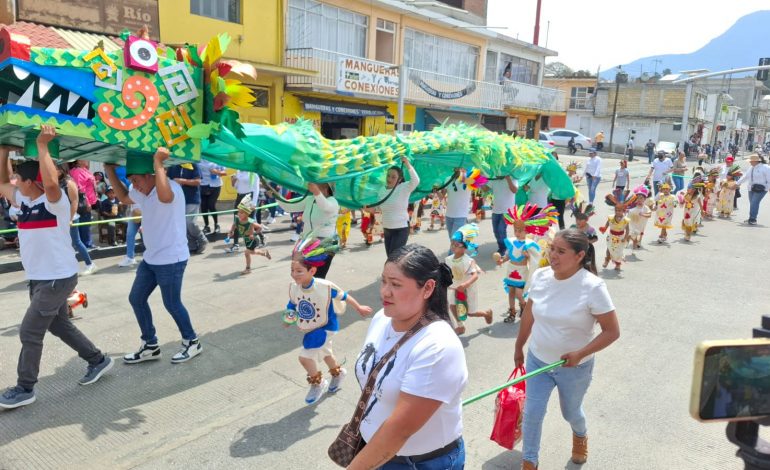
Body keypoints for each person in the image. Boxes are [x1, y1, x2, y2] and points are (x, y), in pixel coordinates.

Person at [0, 126, 113, 409]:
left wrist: (42, 146)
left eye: (19, 178)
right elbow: (2, 181)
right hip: (40, 278)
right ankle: (98, 360)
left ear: (29, 181)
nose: (14, 182)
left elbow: (50, 183)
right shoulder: (22, 201)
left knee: (29, 332)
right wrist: (2, 150)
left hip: (57, 278)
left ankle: (25, 388)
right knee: (60, 326)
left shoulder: (55, 203)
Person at [348, 244, 467, 469]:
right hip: (375, 451)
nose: (385, 291)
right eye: (383, 281)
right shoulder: (381, 319)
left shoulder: (438, 346)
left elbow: (399, 430)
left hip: (419, 463)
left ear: (428, 288)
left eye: (395, 284)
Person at [514, 229, 620, 470]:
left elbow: (612, 332)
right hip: (538, 360)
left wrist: (580, 354)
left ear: (580, 255)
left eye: (561, 251)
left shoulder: (593, 287)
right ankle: (529, 461)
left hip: (574, 368)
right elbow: (529, 315)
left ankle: (580, 435)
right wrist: (519, 345)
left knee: (570, 412)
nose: (553, 255)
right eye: (552, 248)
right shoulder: (540, 276)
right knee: (532, 412)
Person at [105, 149, 203, 364]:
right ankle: (150, 345)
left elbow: (164, 196)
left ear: (150, 174)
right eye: (131, 179)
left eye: (136, 179)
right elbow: (123, 196)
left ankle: (192, 341)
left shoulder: (171, 189)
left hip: (172, 258)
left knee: (172, 303)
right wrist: (109, 170)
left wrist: (158, 162)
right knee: (136, 298)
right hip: (151, 258)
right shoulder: (142, 191)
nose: (134, 184)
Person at [285, 235, 371, 404]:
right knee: (326, 354)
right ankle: (338, 374)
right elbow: (292, 305)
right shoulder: (295, 287)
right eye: (292, 270)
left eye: (299, 271)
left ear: (312, 271)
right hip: (312, 327)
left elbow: (344, 296)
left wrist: (359, 307)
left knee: (305, 357)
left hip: (325, 327)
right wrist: (289, 318)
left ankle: (318, 382)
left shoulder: (324, 287)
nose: (294, 275)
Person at [496, 204, 550, 323]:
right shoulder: (511, 242)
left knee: (519, 293)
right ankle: (512, 312)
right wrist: (502, 260)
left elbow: (535, 258)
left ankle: (524, 307)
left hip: (521, 272)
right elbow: (508, 255)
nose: (517, 233)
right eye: (516, 230)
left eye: (520, 231)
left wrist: (528, 256)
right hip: (511, 270)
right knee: (511, 292)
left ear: (526, 231)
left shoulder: (528, 244)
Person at [276, 182, 339, 278]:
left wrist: (316, 192)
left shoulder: (333, 201)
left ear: (326, 186)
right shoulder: (310, 199)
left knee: (317, 278)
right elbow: (289, 207)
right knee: (302, 277)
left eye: (317, 183)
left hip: (324, 245)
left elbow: (325, 206)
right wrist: (275, 195)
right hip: (306, 242)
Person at [446, 224, 493, 335]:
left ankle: (486, 313)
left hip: (467, 289)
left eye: (456, 244)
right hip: (455, 288)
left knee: (470, 313)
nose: (453, 246)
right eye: (452, 243)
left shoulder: (468, 261)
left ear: (465, 247)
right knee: (452, 306)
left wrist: (465, 284)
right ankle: (460, 326)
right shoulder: (448, 259)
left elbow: (475, 275)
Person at [56, 163, 97, 275]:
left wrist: (69, 218)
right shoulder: (57, 182)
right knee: (63, 243)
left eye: (56, 169)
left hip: (70, 218)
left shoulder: (69, 182)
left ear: (61, 170)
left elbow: (74, 201)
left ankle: (90, 264)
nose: (53, 171)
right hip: (60, 217)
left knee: (77, 242)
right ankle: (66, 267)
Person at [375, 156, 420, 257]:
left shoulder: (404, 187)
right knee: (390, 256)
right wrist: (369, 209)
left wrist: (407, 164)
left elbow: (416, 180)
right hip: (387, 228)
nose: (389, 179)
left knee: (394, 258)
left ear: (399, 179)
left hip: (401, 228)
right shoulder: (382, 189)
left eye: (393, 177)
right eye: (388, 175)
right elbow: (379, 207)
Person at [166, 163, 208, 254]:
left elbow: (198, 181)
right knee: (182, 224)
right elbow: (167, 179)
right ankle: (191, 245)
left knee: (189, 222)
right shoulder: (173, 166)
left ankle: (202, 239)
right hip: (177, 200)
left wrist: (182, 181)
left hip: (192, 199)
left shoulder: (193, 165)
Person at [226, 194, 270, 274]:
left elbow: (260, 227)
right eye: (239, 212)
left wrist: (254, 234)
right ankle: (264, 253)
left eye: (242, 213)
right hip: (246, 240)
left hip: (253, 240)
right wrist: (231, 231)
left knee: (247, 253)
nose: (239, 214)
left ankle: (248, 269)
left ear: (247, 214)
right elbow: (234, 224)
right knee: (252, 252)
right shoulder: (237, 219)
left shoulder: (250, 222)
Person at [486, 175, 518, 256]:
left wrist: (508, 178)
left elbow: (514, 190)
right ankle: (502, 246)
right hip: (496, 210)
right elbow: (485, 189)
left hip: (507, 211)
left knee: (501, 230)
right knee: (496, 231)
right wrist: (479, 179)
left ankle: (503, 248)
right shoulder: (494, 179)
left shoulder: (513, 178)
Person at [68, 160, 97, 248]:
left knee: (85, 223)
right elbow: (79, 188)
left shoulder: (84, 170)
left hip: (86, 201)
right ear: (78, 161)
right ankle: (85, 244)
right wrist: (87, 202)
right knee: (84, 223)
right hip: (82, 202)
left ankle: (85, 244)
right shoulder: (77, 171)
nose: (87, 160)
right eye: (84, 158)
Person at [736, 153, 770, 225]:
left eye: (751, 161)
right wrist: (737, 184)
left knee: (754, 202)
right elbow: (745, 177)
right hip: (751, 188)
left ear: (756, 161)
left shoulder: (766, 168)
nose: (750, 162)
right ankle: (751, 217)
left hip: (762, 189)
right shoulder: (751, 167)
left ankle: (753, 219)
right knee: (752, 203)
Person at [198, 159, 227, 234]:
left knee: (211, 205)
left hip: (215, 185)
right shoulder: (198, 159)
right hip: (202, 185)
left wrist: (217, 172)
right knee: (203, 206)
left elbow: (224, 173)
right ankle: (206, 226)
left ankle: (216, 224)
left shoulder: (217, 159)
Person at [599, 202, 630, 271]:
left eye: (619, 210)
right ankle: (607, 259)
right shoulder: (611, 217)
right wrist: (604, 229)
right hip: (611, 236)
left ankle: (618, 264)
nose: (617, 212)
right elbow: (607, 224)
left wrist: (625, 238)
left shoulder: (625, 220)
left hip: (620, 237)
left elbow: (627, 230)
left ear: (623, 211)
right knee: (609, 248)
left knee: (619, 251)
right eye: (616, 210)